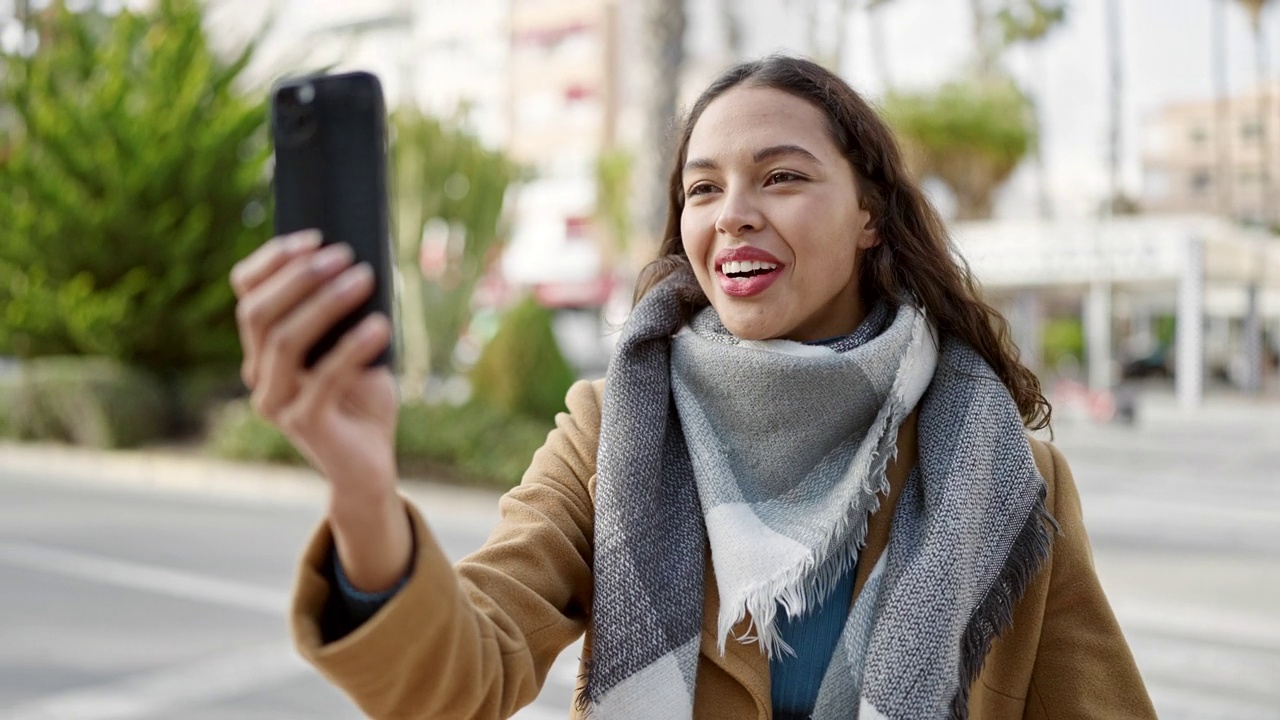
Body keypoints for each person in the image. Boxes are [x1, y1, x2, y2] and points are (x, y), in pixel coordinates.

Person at [230, 56, 1156, 720]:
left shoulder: (1002, 471)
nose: (733, 215)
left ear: (871, 214)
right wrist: (359, 488)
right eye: (702, 189)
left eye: (782, 177)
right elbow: (459, 678)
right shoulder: (614, 428)